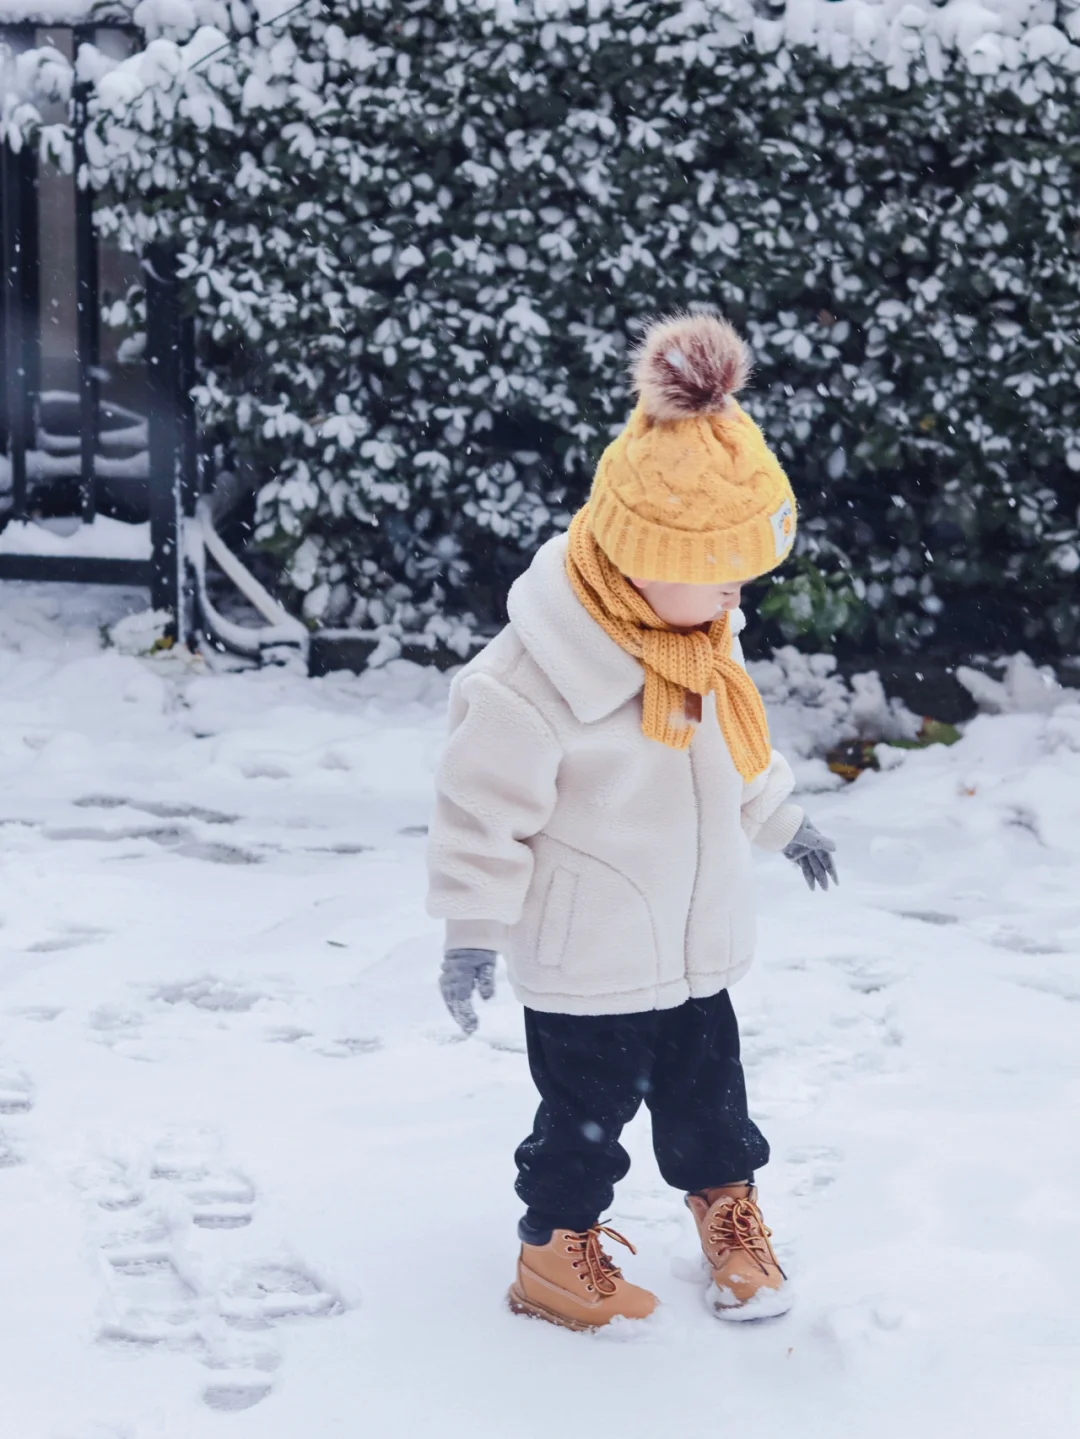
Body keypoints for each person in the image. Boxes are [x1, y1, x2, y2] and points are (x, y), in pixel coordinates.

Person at [426, 313, 838, 1331]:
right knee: (584, 1119)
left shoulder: (698, 637)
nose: (739, 590)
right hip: (591, 957)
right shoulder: (530, 679)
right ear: (644, 557)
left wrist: (784, 819)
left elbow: (735, 752)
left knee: (714, 1103)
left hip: (696, 943)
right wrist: (472, 930)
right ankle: (554, 1250)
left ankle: (727, 1211)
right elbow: (479, 811)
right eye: (722, 568)